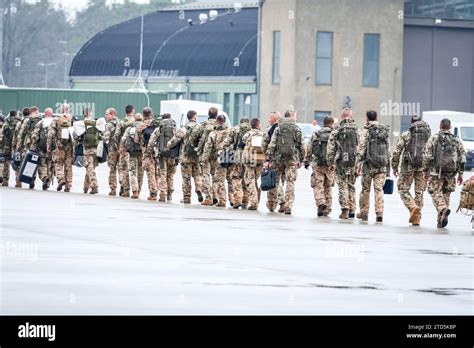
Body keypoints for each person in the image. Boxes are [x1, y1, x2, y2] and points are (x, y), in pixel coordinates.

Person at [422, 118, 466, 228]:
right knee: (446, 194)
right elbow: (462, 157)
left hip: (436, 172)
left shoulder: (434, 138)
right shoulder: (455, 139)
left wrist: (425, 171)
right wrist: (460, 174)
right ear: (450, 127)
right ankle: (440, 220)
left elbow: (427, 156)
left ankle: (442, 209)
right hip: (451, 173)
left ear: (439, 126)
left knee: (435, 192)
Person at [391, 114, 431, 226]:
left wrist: (394, 166)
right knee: (419, 193)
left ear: (411, 123)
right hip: (423, 167)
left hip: (408, 166)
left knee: (403, 190)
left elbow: (396, 151)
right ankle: (417, 218)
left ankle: (412, 207)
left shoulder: (407, 134)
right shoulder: (428, 135)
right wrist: (429, 170)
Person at [265, 110, 305, 215]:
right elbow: (302, 146)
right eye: (295, 116)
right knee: (290, 182)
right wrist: (301, 159)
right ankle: (288, 206)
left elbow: (272, 144)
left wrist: (268, 159)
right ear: (291, 117)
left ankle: (272, 204)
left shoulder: (278, 128)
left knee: (276, 181)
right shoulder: (297, 129)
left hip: (277, 159)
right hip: (291, 160)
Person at [326, 107, 362, 220]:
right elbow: (362, 147)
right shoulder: (357, 129)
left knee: (342, 185)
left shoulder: (337, 129)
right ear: (351, 116)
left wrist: (330, 162)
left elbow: (331, 147)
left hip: (341, 160)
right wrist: (359, 163)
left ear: (342, 116)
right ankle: (352, 209)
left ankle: (345, 210)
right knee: (351, 186)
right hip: (353, 161)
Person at [356, 110, 391, 223]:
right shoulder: (383, 130)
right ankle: (379, 213)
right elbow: (388, 150)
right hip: (381, 166)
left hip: (368, 165)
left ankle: (364, 213)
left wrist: (358, 164)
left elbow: (361, 148)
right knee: (378, 189)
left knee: (366, 189)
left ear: (367, 118)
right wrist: (388, 166)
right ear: (376, 118)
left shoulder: (366, 130)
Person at [167, 110, 203, 204]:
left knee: (186, 178)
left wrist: (168, 145)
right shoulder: (200, 128)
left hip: (185, 157)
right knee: (198, 175)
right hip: (197, 156)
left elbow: (173, 141)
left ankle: (187, 198)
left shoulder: (183, 129)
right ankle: (199, 188)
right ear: (194, 117)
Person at [305, 116, 335, 217]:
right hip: (330, 165)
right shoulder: (334, 134)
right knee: (328, 187)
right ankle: (327, 209)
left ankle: (321, 202)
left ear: (323, 123)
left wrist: (307, 161)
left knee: (318, 185)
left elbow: (309, 148)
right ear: (332, 124)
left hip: (317, 164)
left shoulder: (316, 134)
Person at [189, 107, 218, 205]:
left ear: (208, 114)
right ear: (216, 115)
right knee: (215, 176)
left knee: (205, 175)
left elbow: (192, 137)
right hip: (216, 154)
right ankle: (215, 196)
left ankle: (208, 197)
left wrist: (196, 146)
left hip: (204, 154)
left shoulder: (202, 125)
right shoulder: (220, 125)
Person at [222, 117, 251, 209]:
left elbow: (227, 143)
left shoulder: (235, 129)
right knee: (246, 178)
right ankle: (245, 201)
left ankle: (237, 199)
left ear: (240, 122)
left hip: (237, 157)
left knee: (235, 177)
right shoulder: (252, 130)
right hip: (250, 157)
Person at [201, 115, 230, 207]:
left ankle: (216, 198)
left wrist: (203, 159)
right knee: (223, 179)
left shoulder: (213, 133)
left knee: (217, 179)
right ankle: (224, 200)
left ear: (217, 121)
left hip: (218, 157)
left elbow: (208, 148)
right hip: (229, 156)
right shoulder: (229, 131)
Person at [149, 113, 177, 202]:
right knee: (170, 174)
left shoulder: (159, 129)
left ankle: (162, 195)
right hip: (172, 155)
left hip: (161, 155)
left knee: (162, 174)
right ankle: (169, 194)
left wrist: (150, 152)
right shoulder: (175, 129)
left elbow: (151, 142)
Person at [47, 103, 74, 192]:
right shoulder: (72, 119)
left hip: (59, 145)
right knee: (68, 165)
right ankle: (68, 185)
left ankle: (61, 179)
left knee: (58, 163)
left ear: (61, 109)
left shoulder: (56, 119)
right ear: (68, 109)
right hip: (69, 146)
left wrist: (49, 146)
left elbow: (51, 134)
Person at [262, 111, 285, 212]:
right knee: (279, 181)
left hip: (275, 159)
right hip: (286, 159)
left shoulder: (272, 129)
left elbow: (265, 143)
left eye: (270, 118)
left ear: (275, 119)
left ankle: (281, 202)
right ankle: (277, 203)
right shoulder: (284, 128)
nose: (268, 120)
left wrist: (266, 157)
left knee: (275, 181)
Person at [241, 118, 265, 210]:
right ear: (258, 125)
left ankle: (254, 202)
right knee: (255, 181)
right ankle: (256, 200)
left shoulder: (247, 134)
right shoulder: (263, 135)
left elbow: (241, 145)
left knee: (250, 181)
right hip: (260, 160)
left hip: (250, 160)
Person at [76, 107, 100, 194]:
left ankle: (94, 185)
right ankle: (86, 187)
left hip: (86, 149)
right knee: (90, 167)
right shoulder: (95, 122)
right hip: (95, 149)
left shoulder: (82, 124)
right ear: (90, 113)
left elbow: (76, 136)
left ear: (84, 114)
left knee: (89, 167)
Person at [16, 106, 42, 189]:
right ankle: (33, 179)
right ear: (36, 111)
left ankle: (26, 179)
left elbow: (21, 134)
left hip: (28, 144)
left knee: (27, 162)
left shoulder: (27, 120)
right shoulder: (41, 120)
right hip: (38, 145)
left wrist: (18, 146)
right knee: (35, 162)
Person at [29, 108, 54, 190]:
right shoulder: (55, 123)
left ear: (45, 114)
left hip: (42, 148)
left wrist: (34, 145)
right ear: (51, 114)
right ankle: (48, 182)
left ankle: (44, 177)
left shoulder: (41, 122)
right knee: (50, 166)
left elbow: (34, 135)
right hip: (52, 149)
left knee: (42, 165)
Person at [121, 112, 144, 199]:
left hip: (132, 153)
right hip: (142, 153)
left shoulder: (130, 128)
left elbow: (123, 139)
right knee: (141, 173)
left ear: (134, 119)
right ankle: (139, 191)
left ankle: (135, 191)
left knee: (133, 172)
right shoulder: (144, 127)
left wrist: (123, 150)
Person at [138, 108, 159, 201]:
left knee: (150, 173)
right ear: (151, 113)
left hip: (147, 151)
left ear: (143, 115)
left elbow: (136, 139)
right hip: (158, 151)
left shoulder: (141, 125)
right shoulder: (157, 123)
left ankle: (153, 194)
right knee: (157, 173)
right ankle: (161, 192)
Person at [114, 105, 135, 197]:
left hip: (123, 148)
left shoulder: (121, 122)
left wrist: (120, 143)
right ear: (133, 111)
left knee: (123, 168)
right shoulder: (136, 121)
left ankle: (125, 189)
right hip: (134, 149)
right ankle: (135, 190)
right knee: (134, 170)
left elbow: (116, 136)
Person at [0, 110, 22, 187]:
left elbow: (1, 137)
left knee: (6, 163)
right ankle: (18, 182)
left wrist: (1, 146)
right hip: (17, 147)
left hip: (6, 147)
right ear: (16, 115)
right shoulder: (20, 123)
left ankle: (5, 181)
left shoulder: (6, 124)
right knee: (17, 163)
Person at [102, 108, 119, 196]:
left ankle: (113, 189)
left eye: (107, 114)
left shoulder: (109, 124)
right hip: (121, 149)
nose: (105, 116)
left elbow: (105, 137)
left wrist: (101, 136)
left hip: (112, 149)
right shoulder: (121, 122)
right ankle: (124, 189)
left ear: (112, 114)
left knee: (112, 169)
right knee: (122, 170)